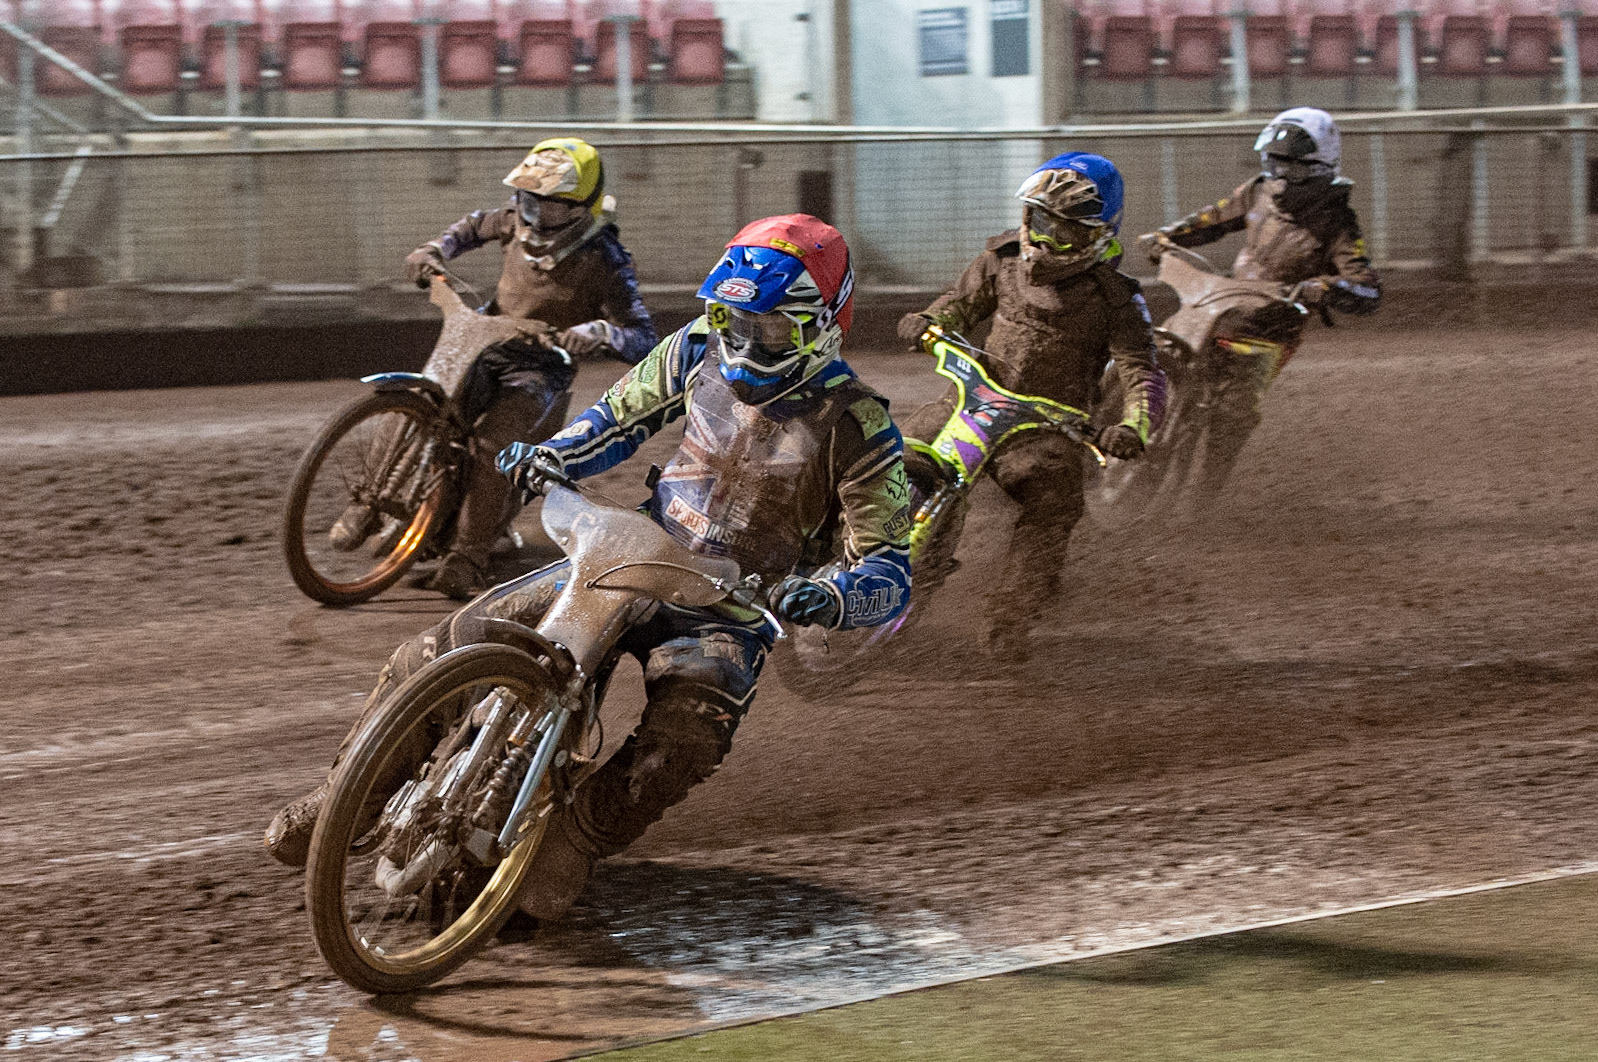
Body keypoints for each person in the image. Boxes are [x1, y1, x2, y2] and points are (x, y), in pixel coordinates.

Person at [266, 214, 913, 921]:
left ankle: (571, 840)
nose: (742, 341)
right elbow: (615, 419)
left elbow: (889, 568)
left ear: (821, 322)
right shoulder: (693, 348)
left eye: (769, 328)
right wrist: (557, 456)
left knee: (687, 739)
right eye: (730, 318)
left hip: (732, 605)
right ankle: (343, 798)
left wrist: (833, 595)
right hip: (634, 550)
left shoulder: (861, 425)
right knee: (435, 648)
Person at [896, 151, 1166, 661]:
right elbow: (958, 304)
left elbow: (1142, 371)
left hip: (1047, 431)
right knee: (892, 460)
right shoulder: (1000, 261)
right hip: (969, 401)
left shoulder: (1117, 300)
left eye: (1066, 232)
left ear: (1098, 234)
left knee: (1055, 507)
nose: (1048, 241)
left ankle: (1009, 620)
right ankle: (865, 569)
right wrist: (927, 321)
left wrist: (1135, 426)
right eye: (1042, 223)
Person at [400, 137, 657, 599]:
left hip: (542, 370)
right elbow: (469, 228)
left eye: (552, 204)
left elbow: (643, 338)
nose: (537, 214)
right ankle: (405, 514)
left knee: (492, 447)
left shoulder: (607, 257)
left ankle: (469, 557)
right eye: (529, 198)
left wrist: (600, 332)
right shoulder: (513, 220)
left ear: (581, 206)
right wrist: (432, 250)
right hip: (488, 344)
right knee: (426, 404)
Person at [1150, 106, 1380, 495]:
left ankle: (1206, 493)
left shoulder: (1337, 221)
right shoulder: (1259, 191)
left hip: (1272, 327)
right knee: (1155, 348)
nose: (1281, 176)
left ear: (1320, 167)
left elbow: (1367, 289)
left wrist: (1323, 287)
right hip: (1225, 305)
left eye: (1292, 167)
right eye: (1275, 163)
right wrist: (1169, 236)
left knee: (1233, 409)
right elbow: (1213, 219)